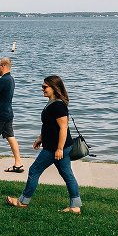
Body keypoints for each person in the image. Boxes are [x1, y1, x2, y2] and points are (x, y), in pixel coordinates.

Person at [6, 75, 82, 213]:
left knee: (34, 170)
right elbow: (49, 125)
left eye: (45, 87)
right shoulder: (52, 103)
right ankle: (75, 206)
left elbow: (63, 128)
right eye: (42, 87)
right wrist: (40, 138)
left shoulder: (58, 105)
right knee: (67, 174)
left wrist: (59, 149)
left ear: (54, 88)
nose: (43, 89)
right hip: (56, 146)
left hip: (55, 148)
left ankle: (23, 201)